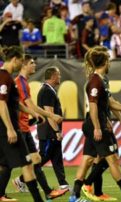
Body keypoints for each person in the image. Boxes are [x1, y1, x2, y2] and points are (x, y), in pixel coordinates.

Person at [69, 46, 121, 202]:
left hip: (93, 124)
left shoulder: (99, 80)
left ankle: (74, 196)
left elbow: (111, 103)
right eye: (108, 60)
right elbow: (93, 106)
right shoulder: (95, 81)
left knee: (88, 160)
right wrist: (98, 127)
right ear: (104, 62)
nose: (110, 63)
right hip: (95, 124)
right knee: (112, 160)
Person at [11, 55, 68, 200]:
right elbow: (30, 106)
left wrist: (35, 115)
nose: (35, 65)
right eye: (31, 63)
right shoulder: (21, 83)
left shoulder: (24, 83)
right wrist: (50, 116)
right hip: (18, 128)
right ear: (23, 65)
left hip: (23, 127)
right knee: (13, 164)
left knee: (35, 160)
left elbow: (22, 105)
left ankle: (48, 191)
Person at [0, 46, 43, 202]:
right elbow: (1, 104)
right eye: (21, 61)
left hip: (6, 129)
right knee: (27, 164)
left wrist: (32, 113)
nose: (22, 64)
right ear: (15, 59)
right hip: (8, 129)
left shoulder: (8, 77)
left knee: (5, 164)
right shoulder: (4, 77)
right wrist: (10, 129)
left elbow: (15, 103)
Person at [37, 67, 69, 190]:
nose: (60, 77)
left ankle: (63, 183)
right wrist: (56, 131)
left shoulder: (49, 90)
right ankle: (22, 179)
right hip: (48, 132)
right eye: (59, 74)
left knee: (56, 158)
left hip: (51, 132)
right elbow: (49, 113)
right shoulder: (47, 91)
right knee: (42, 158)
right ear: (53, 76)